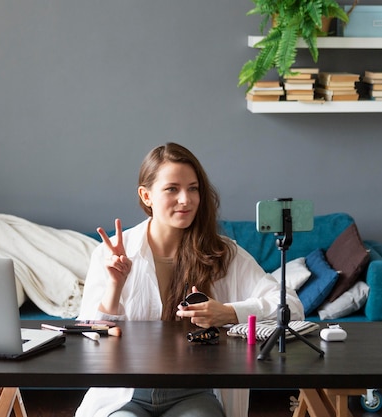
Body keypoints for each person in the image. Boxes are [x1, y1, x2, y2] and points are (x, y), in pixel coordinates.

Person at [75, 142, 304, 417]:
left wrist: (227, 312)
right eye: (172, 189)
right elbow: (89, 339)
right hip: (125, 393)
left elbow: (289, 306)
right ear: (146, 196)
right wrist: (115, 286)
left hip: (194, 392)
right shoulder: (111, 253)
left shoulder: (223, 252)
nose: (186, 199)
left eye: (193, 188)